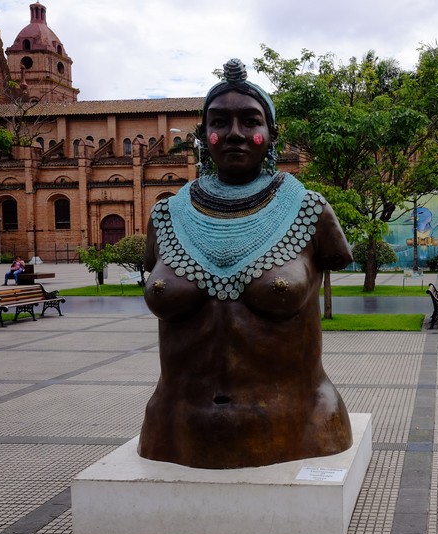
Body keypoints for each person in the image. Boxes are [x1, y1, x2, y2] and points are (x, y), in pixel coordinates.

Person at [138, 59, 353, 469]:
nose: (234, 133)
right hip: (173, 431)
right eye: (220, 122)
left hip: (301, 429)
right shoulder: (166, 215)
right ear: (203, 136)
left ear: (271, 135)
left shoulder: (310, 210)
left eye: (250, 121)